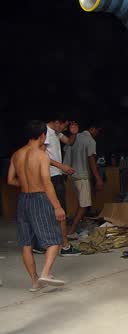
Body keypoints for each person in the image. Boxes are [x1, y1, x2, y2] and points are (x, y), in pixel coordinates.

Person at [8, 120, 66, 290]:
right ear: (42, 135)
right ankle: (45, 274)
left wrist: (27, 184)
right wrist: (57, 207)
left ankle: (34, 282)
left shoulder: (16, 154)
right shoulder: (41, 156)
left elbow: (10, 180)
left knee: (26, 243)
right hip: (39, 198)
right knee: (55, 239)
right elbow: (47, 184)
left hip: (23, 199)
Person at [44, 114, 81, 256]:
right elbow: (41, 156)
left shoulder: (56, 132)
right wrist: (62, 166)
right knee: (60, 211)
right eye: (64, 126)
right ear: (57, 122)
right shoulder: (45, 132)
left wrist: (73, 134)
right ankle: (65, 246)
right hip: (51, 176)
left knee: (55, 211)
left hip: (57, 175)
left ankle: (52, 243)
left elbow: (69, 142)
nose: (64, 129)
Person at [64, 121, 104, 237]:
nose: (97, 134)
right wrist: (98, 179)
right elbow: (91, 160)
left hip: (72, 175)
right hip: (82, 176)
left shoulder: (75, 137)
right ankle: (71, 230)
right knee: (84, 204)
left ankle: (75, 226)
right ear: (92, 129)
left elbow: (66, 151)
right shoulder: (90, 140)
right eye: (98, 131)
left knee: (82, 202)